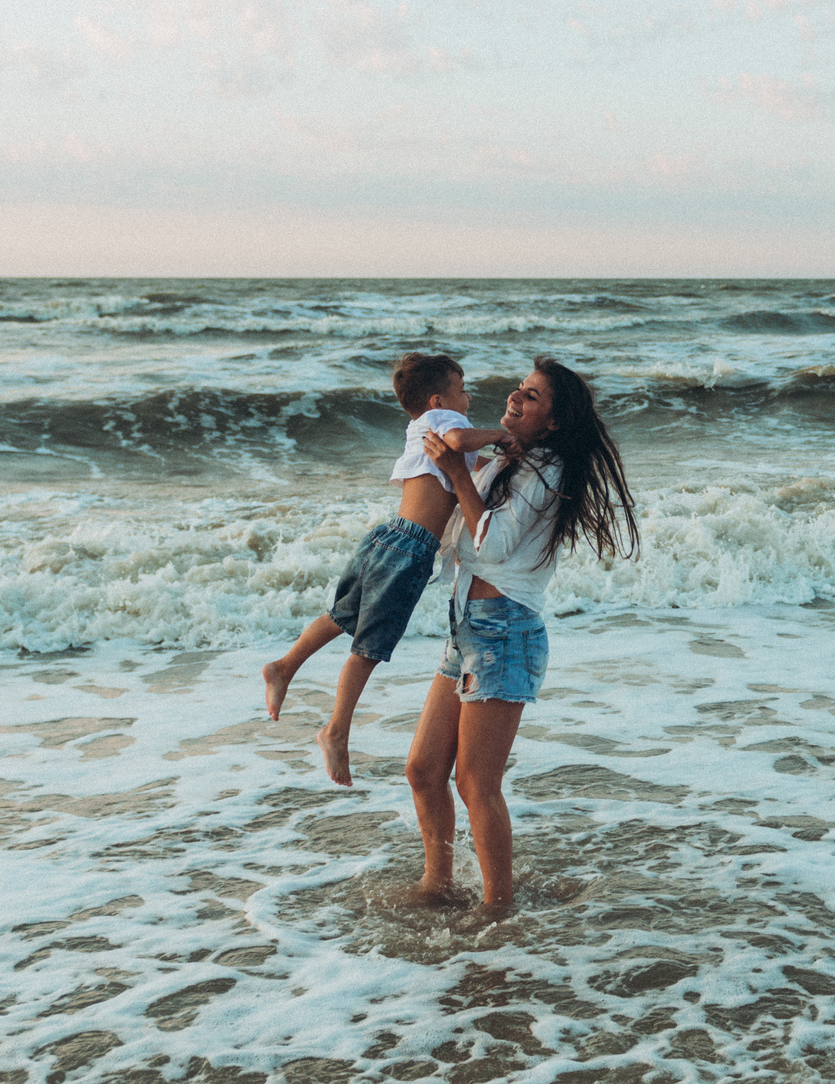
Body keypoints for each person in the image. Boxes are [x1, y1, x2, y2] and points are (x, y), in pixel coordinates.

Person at [407, 356, 638, 916]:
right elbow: (455, 527)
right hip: (467, 626)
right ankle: (438, 887)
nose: (514, 397)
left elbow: (493, 546)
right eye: (518, 388)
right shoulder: (510, 462)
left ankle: (497, 907)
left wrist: (460, 471)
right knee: (423, 769)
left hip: (505, 629)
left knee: (475, 783)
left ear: (553, 422)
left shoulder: (548, 470)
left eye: (531, 396)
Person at [261, 353, 508, 786]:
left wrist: (513, 459)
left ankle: (285, 665)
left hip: (386, 536)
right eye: (462, 388)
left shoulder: (420, 427)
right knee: (369, 647)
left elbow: (477, 465)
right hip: (410, 550)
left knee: (342, 616)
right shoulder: (447, 423)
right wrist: (501, 436)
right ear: (438, 400)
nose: (469, 397)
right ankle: (336, 730)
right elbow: (459, 441)